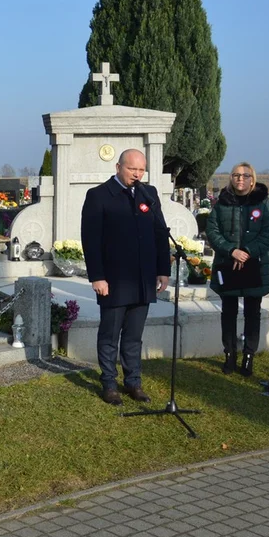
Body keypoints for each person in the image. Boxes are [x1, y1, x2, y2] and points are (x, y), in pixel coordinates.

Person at [81, 149, 170, 405]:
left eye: (142, 170)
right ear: (119, 167)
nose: (138, 174)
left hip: (142, 279)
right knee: (110, 335)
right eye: (133, 169)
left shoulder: (148, 194)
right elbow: (91, 240)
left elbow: (160, 233)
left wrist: (162, 269)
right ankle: (109, 383)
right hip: (114, 279)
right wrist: (97, 277)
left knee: (133, 335)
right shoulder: (99, 196)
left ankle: (133, 382)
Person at [205, 162, 269, 377]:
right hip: (228, 264)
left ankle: (248, 356)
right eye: (236, 175)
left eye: (245, 175)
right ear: (231, 178)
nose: (240, 179)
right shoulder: (222, 203)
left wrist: (247, 251)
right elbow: (213, 230)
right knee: (228, 312)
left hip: (254, 265)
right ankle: (230, 354)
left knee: (252, 312)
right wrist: (231, 250)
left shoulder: (262, 203)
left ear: (252, 178)